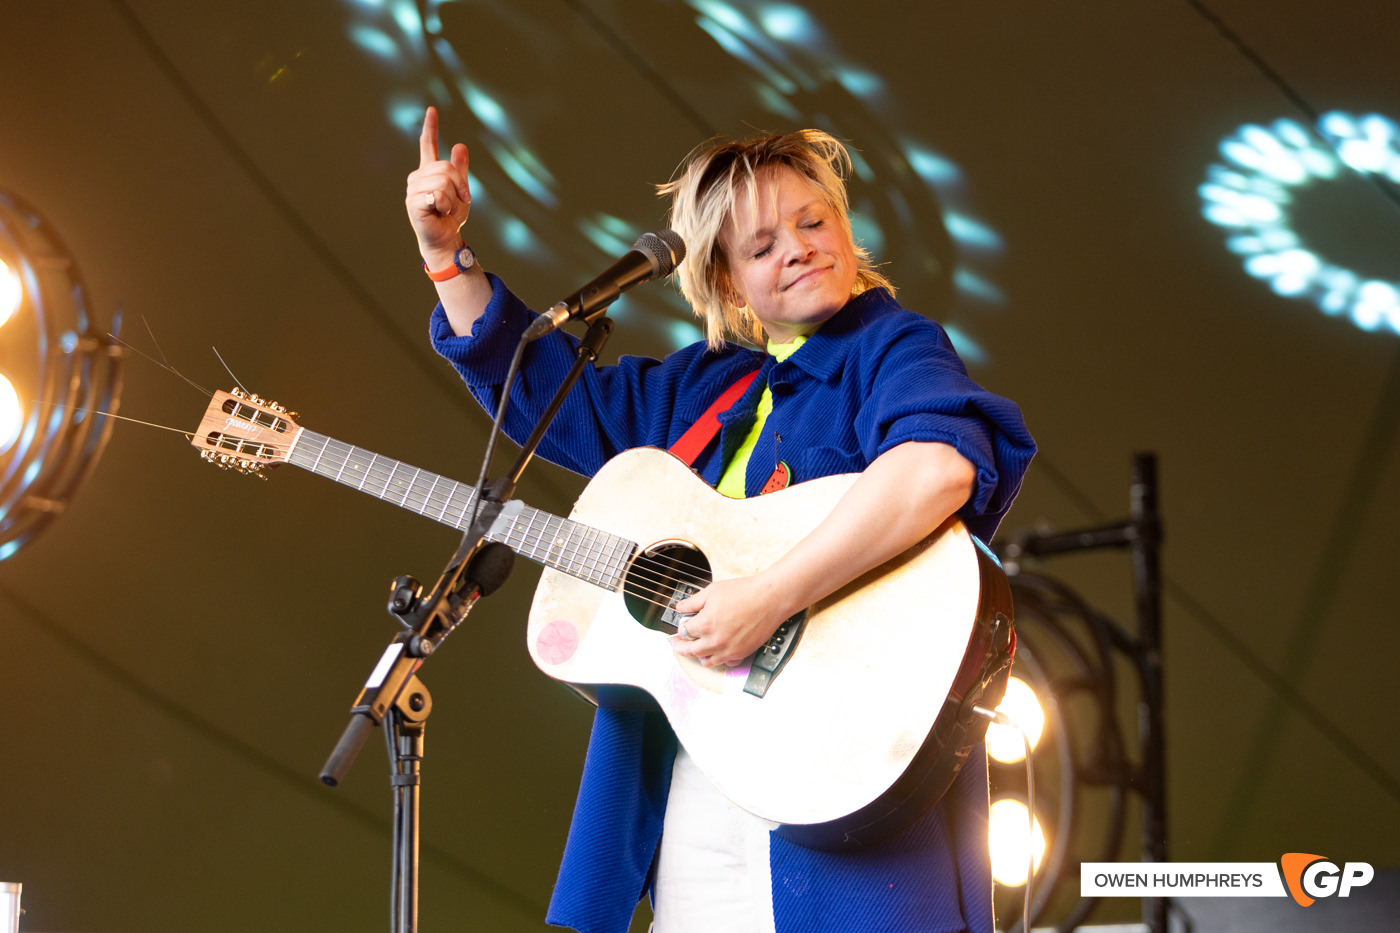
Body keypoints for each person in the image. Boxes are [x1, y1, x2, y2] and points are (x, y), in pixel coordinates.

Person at [406, 106, 1036, 933]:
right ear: (729, 282)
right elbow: (550, 396)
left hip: (846, 776)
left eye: (813, 222)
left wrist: (767, 596)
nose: (800, 247)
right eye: (764, 245)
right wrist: (446, 256)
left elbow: (935, 468)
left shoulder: (889, 344)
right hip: (695, 801)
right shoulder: (703, 390)